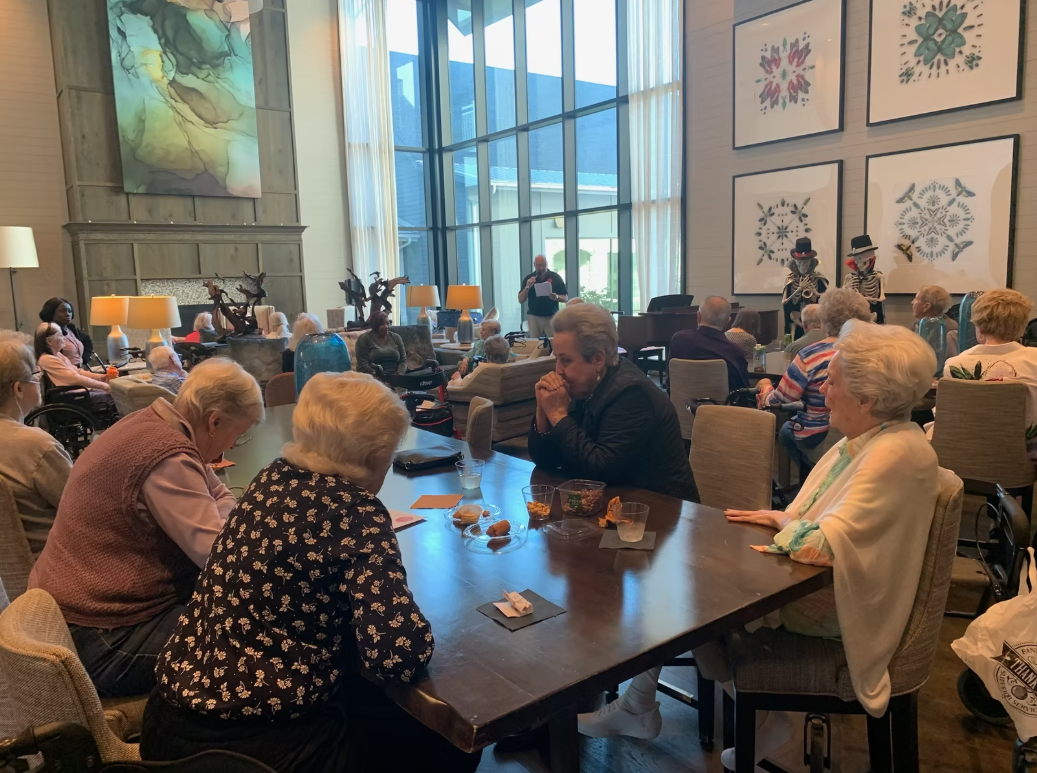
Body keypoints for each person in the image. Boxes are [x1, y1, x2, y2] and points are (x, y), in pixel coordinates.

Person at [580, 323, 940, 769]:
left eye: (834, 381)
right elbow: (838, 526)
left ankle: (647, 706)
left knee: (678, 590)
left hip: (846, 607)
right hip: (838, 586)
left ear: (866, 399)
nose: (824, 390)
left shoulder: (893, 454)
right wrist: (785, 517)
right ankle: (655, 705)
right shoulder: (880, 440)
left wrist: (790, 523)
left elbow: (822, 544)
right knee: (678, 584)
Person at [140, 372, 481, 773]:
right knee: (450, 746)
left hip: (167, 728)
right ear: (376, 455)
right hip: (259, 750)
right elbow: (397, 654)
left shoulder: (270, 478)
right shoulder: (356, 513)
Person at [27, 358, 263, 698]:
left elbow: (220, 493)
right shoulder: (168, 456)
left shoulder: (151, 423)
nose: (232, 446)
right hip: (101, 636)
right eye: (238, 435)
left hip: (70, 613)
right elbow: (220, 560)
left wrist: (221, 513)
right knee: (263, 643)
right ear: (214, 421)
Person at [528, 303, 698, 501]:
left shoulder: (632, 393)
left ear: (598, 359)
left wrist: (558, 415)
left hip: (658, 511)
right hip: (613, 503)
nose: (558, 370)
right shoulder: (582, 386)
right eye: (557, 359)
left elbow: (599, 471)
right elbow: (546, 460)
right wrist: (543, 410)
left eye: (566, 361)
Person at [757, 288, 871, 480]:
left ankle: (812, 478)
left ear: (825, 319)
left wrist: (765, 387)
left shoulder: (810, 354)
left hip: (821, 435)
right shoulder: (873, 352)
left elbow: (778, 401)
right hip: (865, 436)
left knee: (786, 430)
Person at [937, 289, 1037, 460]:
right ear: (1021, 327)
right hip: (1021, 460)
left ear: (979, 327)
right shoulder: (1033, 360)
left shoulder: (954, 365)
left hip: (964, 456)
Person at [0, 331, 73, 556]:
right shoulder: (36, 445)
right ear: (18, 389)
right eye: (35, 372)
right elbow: (85, 509)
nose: (39, 379)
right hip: (52, 569)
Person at [668, 296, 749, 391]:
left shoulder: (679, 340)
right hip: (721, 405)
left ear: (698, 316)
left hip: (682, 404)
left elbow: (670, 380)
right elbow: (743, 391)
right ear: (728, 321)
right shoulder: (736, 352)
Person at [35, 322, 114, 412]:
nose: (64, 338)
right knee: (113, 396)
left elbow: (78, 371)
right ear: (49, 341)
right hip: (72, 398)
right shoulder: (47, 359)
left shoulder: (57, 355)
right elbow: (75, 378)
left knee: (112, 392)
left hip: (76, 393)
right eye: (60, 335)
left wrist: (102, 377)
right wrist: (104, 386)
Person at [518, 254, 568, 338]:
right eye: (538, 265)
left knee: (553, 341)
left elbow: (565, 298)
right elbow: (521, 300)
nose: (540, 268)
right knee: (534, 342)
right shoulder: (529, 278)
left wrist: (556, 297)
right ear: (534, 265)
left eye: (542, 265)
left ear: (546, 264)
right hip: (534, 316)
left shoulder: (555, 277)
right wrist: (527, 286)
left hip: (551, 316)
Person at [39, 297, 93, 367]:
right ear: (51, 313)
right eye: (63, 311)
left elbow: (87, 342)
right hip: (62, 372)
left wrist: (84, 359)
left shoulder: (72, 328)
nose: (68, 314)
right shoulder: (48, 331)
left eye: (70, 311)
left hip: (79, 370)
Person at [911, 284, 958, 357]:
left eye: (916, 299)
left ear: (926, 306)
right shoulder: (917, 323)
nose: (912, 302)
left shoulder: (950, 330)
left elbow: (952, 363)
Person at [355, 311, 407, 376]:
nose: (386, 326)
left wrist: (399, 375)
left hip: (397, 376)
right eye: (382, 324)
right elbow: (362, 366)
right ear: (375, 325)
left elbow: (403, 361)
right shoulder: (365, 338)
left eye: (388, 323)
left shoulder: (396, 337)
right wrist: (378, 376)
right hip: (374, 377)